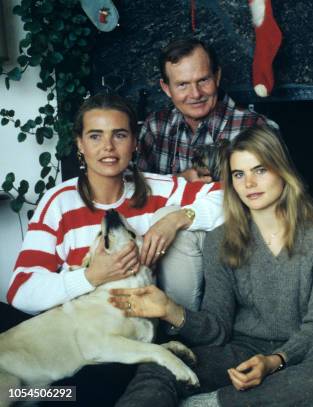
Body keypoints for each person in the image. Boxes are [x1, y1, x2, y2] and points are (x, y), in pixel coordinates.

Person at [110, 125, 313, 407]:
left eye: (260, 170)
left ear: (282, 170)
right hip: (240, 351)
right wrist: (171, 311)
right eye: (238, 174)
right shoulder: (221, 238)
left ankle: (220, 403)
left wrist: (275, 362)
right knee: (163, 361)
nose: (249, 184)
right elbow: (217, 327)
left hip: (305, 352)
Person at [2, 93, 224, 405]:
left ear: (135, 142)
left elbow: (229, 196)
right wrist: (91, 277)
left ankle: (45, 396)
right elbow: (21, 293)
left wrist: (176, 218)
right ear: (80, 144)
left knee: (91, 388)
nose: (108, 147)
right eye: (95, 136)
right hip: (68, 333)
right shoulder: (59, 202)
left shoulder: (157, 188)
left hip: (123, 333)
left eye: (119, 135)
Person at [136, 37, 276, 182]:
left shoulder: (257, 127)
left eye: (203, 80)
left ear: (217, 77)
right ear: (166, 88)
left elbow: (279, 196)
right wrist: (179, 181)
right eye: (183, 84)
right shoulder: (156, 125)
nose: (196, 94)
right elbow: (137, 190)